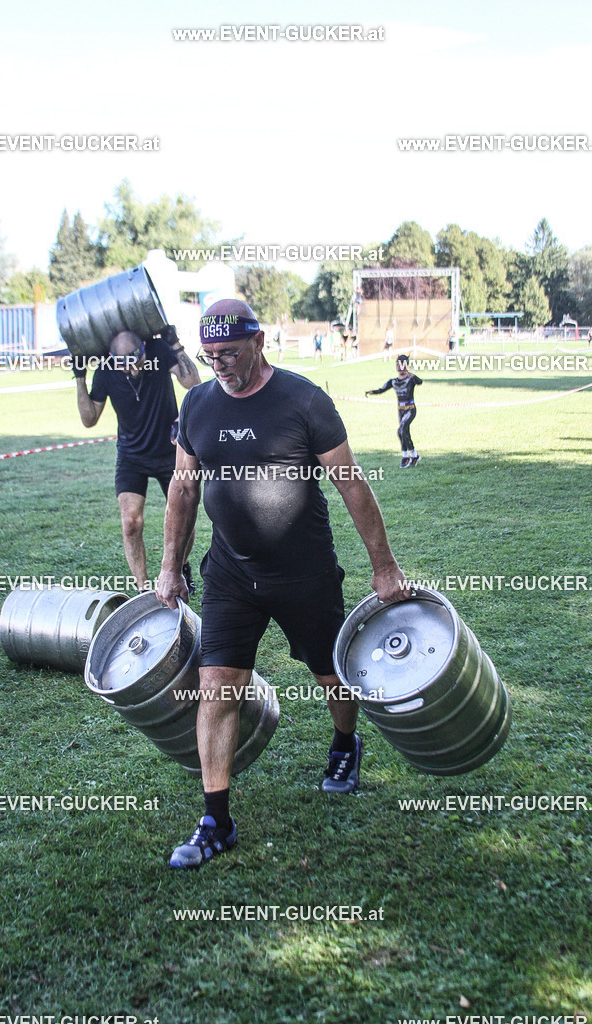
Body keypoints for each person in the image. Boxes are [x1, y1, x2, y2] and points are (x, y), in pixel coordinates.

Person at [156, 299, 410, 869]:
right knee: (217, 684)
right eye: (210, 355)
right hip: (229, 573)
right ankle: (216, 820)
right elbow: (183, 489)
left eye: (229, 352)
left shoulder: (303, 400)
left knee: (333, 675)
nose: (219, 364)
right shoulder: (196, 404)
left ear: (259, 341)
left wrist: (384, 565)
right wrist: (170, 564)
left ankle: (344, 744)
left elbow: (351, 486)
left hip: (305, 573)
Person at [73, 326, 201, 591]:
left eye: (136, 364)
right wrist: (79, 378)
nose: (131, 371)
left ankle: (181, 567)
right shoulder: (106, 371)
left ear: (143, 350)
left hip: (170, 452)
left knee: (183, 519)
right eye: (125, 367)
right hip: (131, 455)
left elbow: (193, 383)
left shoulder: (158, 351)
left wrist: (175, 345)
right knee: (131, 522)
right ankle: (143, 590)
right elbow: (89, 419)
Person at [365, 354, 422, 468]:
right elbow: (382, 389)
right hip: (400, 410)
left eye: (402, 365)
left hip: (410, 409)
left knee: (401, 431)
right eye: (397, 364)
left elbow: (420, 382)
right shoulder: (393, 381)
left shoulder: (410, 379)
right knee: (404, 432)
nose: (400, 367)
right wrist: (372, 392)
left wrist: (412, 375)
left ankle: (406, 457)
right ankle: (413, 455)